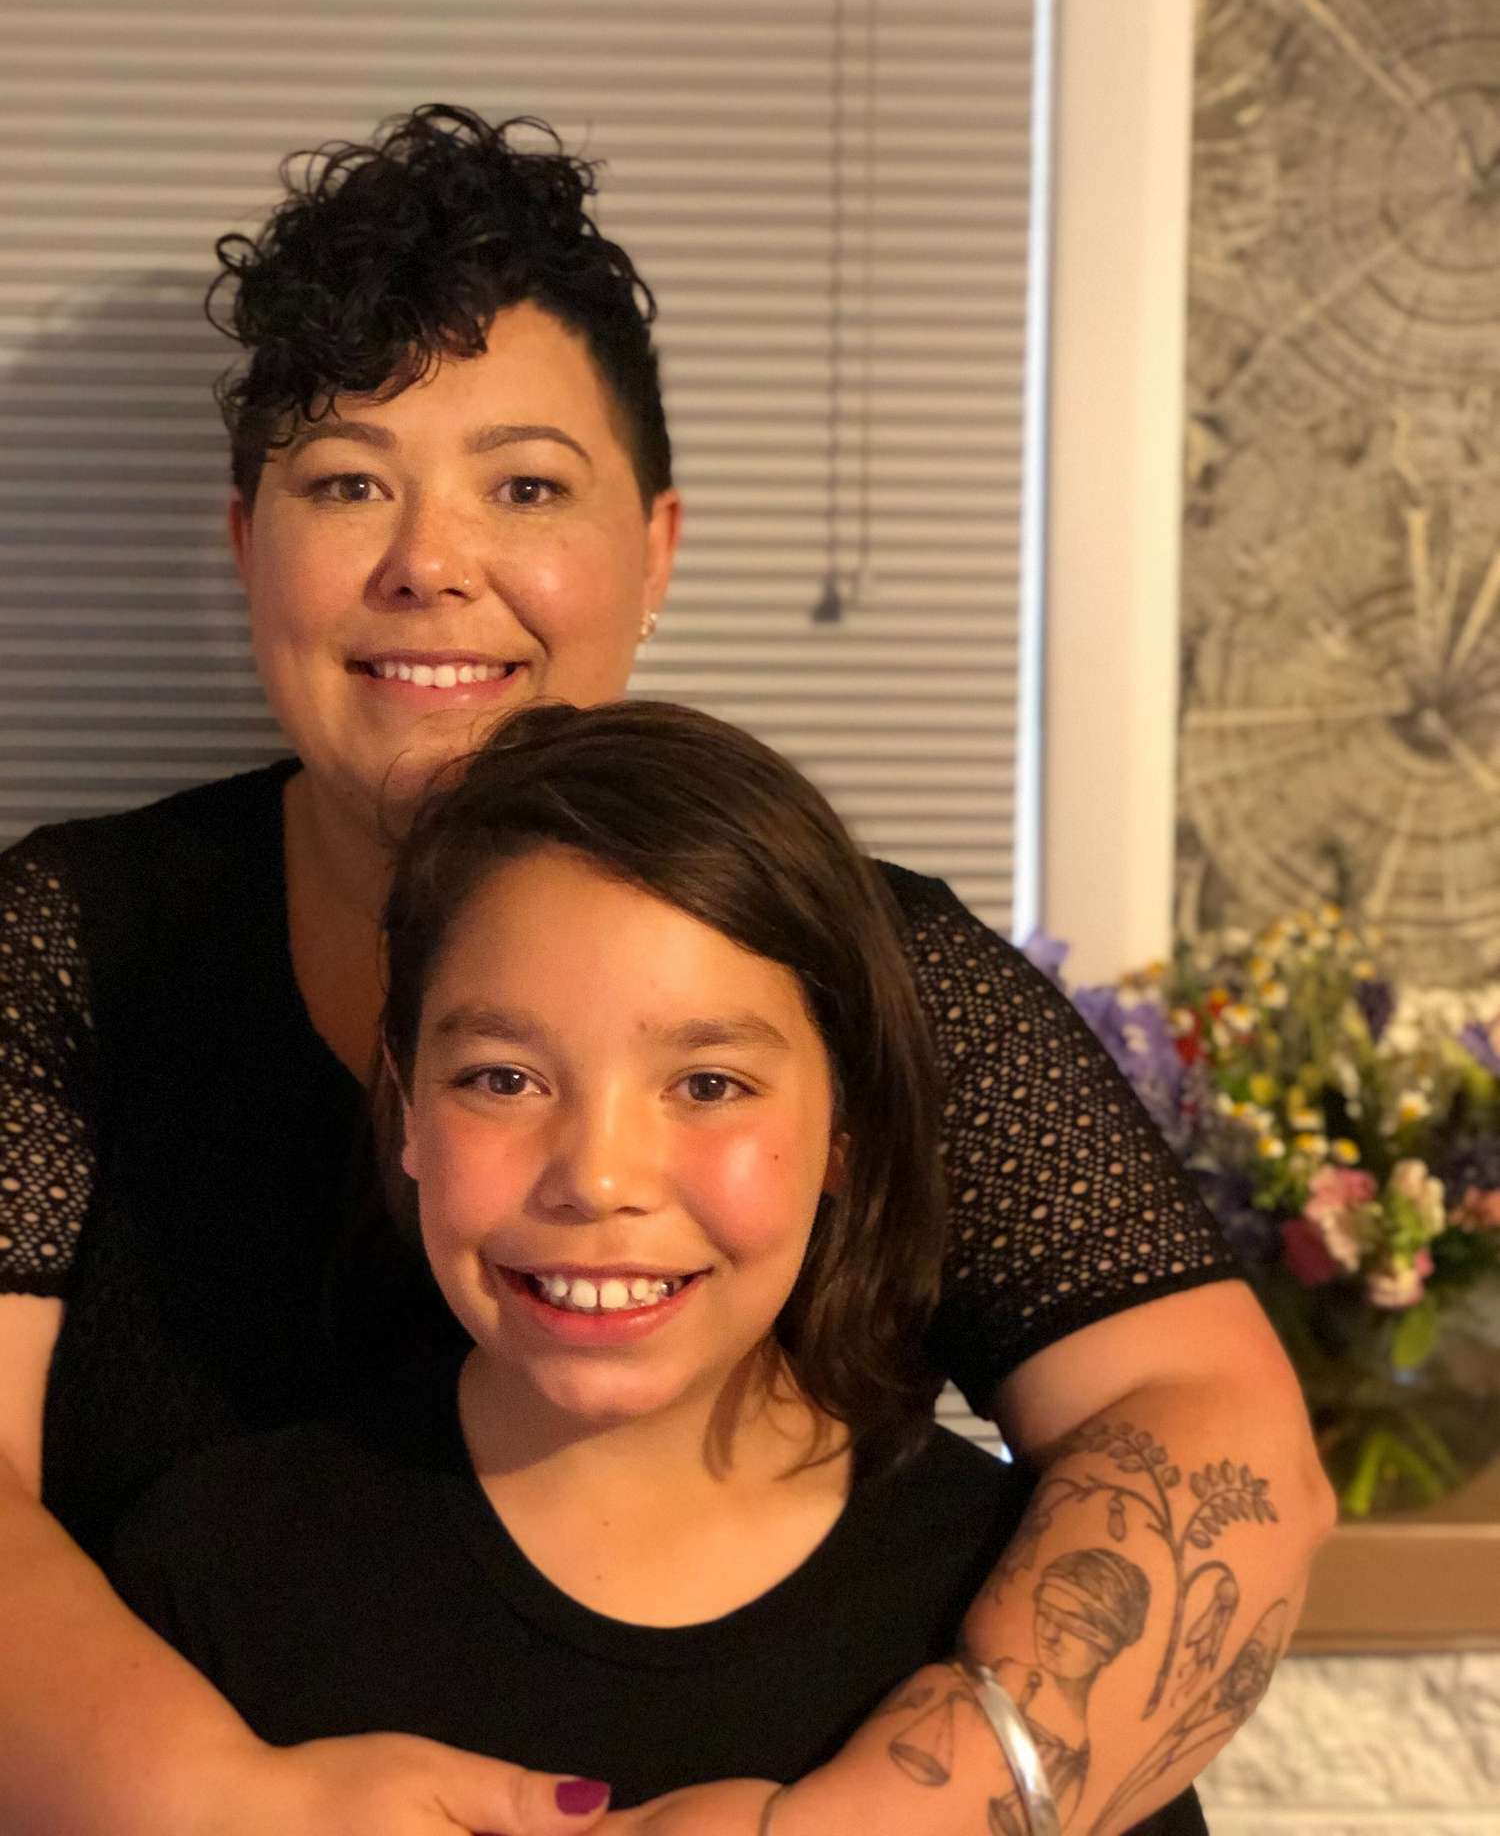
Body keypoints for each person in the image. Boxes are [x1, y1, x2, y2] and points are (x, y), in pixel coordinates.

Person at [0, 105, 1333, 1836]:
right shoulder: (72, 948)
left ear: (659, 547)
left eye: (526, 486)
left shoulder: (862, 959)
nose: (431, 563)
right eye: (347, 484)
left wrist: (859, 1829)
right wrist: (231, 1808)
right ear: (250, 547)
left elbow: (1209, 1437)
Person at [112, 697, 1205, 1829]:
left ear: (844, 1124)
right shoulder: (214, 1576)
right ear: (408, 1104)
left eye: (708, 1084)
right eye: (503, 1079)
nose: (597, 1177)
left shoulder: (1027, 1609)